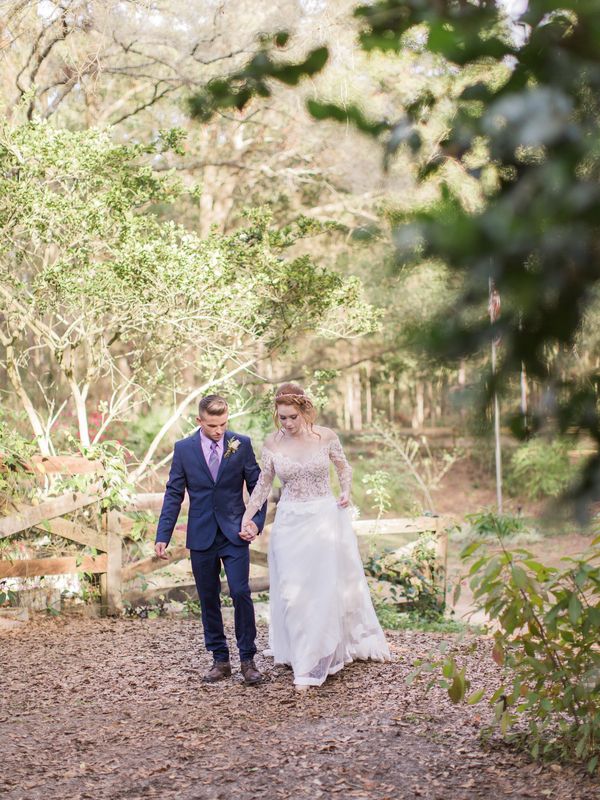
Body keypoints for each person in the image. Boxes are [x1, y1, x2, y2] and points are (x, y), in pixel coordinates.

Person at [241, 383, 390, 691]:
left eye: (293, 417)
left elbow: (344, 468)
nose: (288, 423)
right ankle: (300, 651)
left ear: (305, 411)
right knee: (291, 592)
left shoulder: (327, 437)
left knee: (321, 588)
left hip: (323, 518)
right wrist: (248, 514)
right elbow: (263, 485)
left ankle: (315, 659)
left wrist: (346, 491)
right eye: (282, 418)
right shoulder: (272, 443)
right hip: (289, 520)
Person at [155, 394, 267, 685]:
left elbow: (258, 488)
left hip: (234, 533)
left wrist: (255, 523)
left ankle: (247, 659)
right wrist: (162, 535)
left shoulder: (240, 444)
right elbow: (174, 493)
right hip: (201, 534)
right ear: (199, 421)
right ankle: (220, 659)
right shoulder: (184, 449)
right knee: (208, 598)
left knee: (241, 592)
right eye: (213, 425)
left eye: (223, 424)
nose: (219, 431)